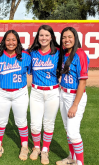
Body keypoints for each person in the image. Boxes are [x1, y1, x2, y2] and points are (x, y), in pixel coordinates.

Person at [0, 30, 31, 161]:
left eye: (14, 39)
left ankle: (24, 146)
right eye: (8, 39)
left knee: (21, 121)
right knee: (1, 121)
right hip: (1, 92)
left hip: (20, 92)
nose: (11, 42)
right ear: (4, 41)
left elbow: (30, 71)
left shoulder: (25, 56)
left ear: (18, 41)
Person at [27, 25, 61, 165]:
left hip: (53, 92)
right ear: (37, 37)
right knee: (35, 124)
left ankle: (45, 150)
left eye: (47, 35)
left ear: (52, 37)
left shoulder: (59, 52)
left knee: (48, 123)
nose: (44, 38)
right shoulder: (32, 52)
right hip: (36, 92)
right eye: (41, 35)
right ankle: (36, 147)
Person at [56, 27, 89, 165]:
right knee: (67, 129)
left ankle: (79, 162)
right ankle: (71, 157)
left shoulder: (80, 54)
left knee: (73, 132)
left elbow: (82, 82)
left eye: (69, 37)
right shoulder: (63, 53)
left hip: (75, 97)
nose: (66, 40)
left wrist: (75, 105)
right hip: (63, 93)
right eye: (64, 37)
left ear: (75, 38)